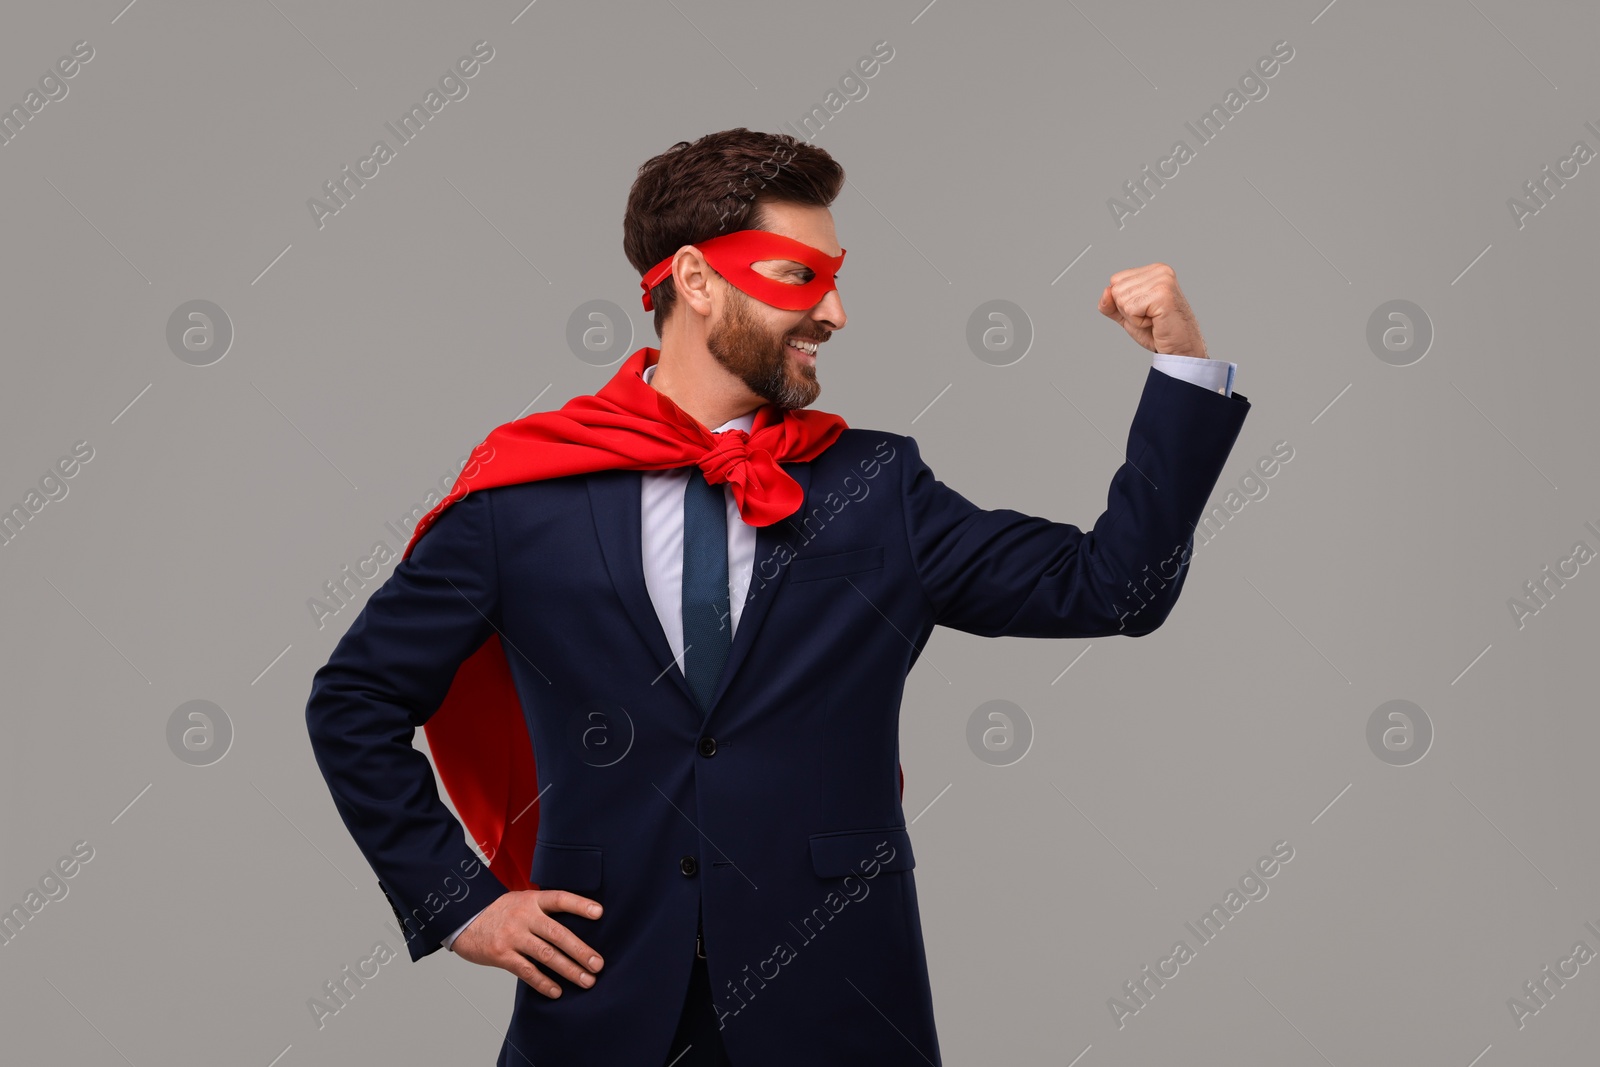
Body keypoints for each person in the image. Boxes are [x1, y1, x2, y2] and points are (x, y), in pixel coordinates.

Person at [304, 128, 1250, 1067]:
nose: (835, 311)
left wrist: (1184, 372)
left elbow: (1119, 587)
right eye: (802, 278)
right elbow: (355, 700)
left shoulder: (880, 485)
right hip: (600, 1004)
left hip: (840, 1006)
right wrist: (457, 900)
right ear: (697, 278)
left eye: (835, 277)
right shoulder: (524, 494)